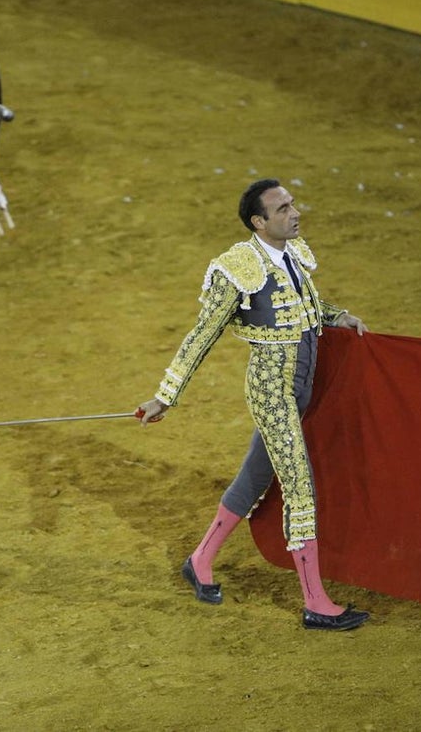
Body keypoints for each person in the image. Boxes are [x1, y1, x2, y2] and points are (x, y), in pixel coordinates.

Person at [136, 178, 370, 631]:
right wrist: (166, 395)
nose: (295, 212)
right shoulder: (237, 267)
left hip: (303, 385)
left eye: (292, 204)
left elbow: (306, 305)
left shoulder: (294, 255)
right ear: (259, 222)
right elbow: (203, 333)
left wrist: (336, 315)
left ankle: (200, 560)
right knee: (300, 488)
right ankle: (316, 603)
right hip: (271, 389)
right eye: (282, 209)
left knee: (254, 478)